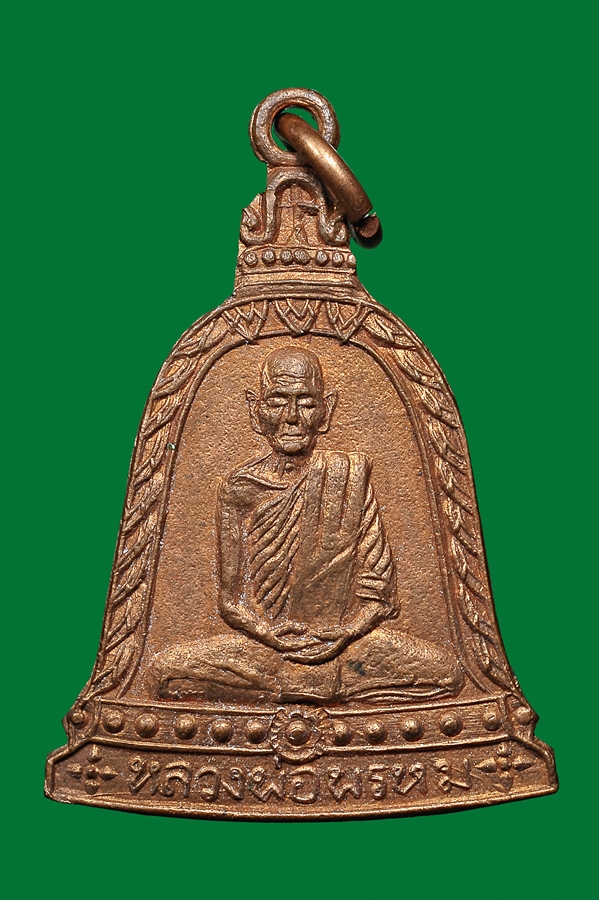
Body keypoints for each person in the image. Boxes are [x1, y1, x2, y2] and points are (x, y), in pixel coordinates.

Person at [153, 347, 463, 703]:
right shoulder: (239, 489)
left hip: (345, 647)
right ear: (256, 410)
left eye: (305, 402)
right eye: (277, 401)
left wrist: (345, 633)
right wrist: (269, 635)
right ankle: (323, 692)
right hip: (265, 647)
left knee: (448, 675)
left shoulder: (348, 477)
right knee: (162, 674)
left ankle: (302, 690)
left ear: (325, 410)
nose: (291, 417)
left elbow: (380, 597)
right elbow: (230, 603)